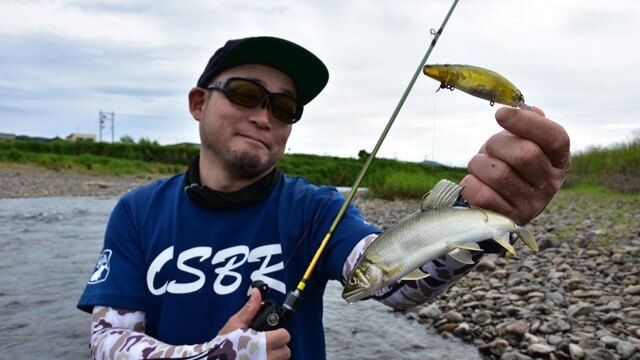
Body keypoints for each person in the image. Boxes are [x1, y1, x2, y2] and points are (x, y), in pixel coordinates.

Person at [77, 36, 570, 360]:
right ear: (198, 103)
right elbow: (108, 343)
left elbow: (392, 284)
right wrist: (213, 355)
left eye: (284, 107)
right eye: (247, 94)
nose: (264, 116)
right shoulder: (137, 212)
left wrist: (477, 223)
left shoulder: (316, 209)